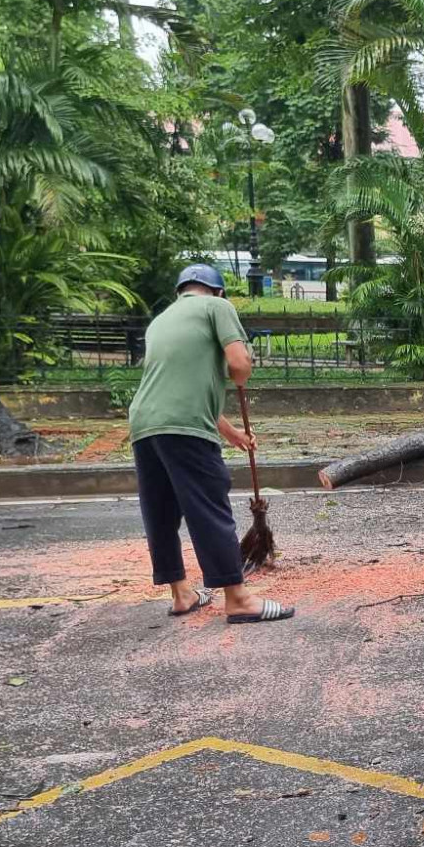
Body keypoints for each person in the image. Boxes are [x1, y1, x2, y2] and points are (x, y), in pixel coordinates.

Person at [126, 264, 297, 624]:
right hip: (184, 426)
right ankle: (237, 598)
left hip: (144, 422)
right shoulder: (217, 308)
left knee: (160, 511)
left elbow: (177, 388)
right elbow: (240, 364)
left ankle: (181, 593)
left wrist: (232, 433)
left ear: (181, 291)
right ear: (218, 292)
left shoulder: (161, 321)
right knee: (208, 505)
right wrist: (239, 372)